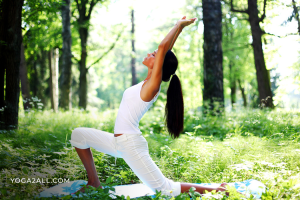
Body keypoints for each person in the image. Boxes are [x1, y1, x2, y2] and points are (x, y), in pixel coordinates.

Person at [69, 16, 228, 197]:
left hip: (130, 145)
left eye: (153, 55)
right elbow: (166, 50)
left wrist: (177, 25)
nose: (150, 54)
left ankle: (217, 189)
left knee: (165, 189)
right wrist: (180, 30)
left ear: (159, 63)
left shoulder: (153, 86)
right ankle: (94, 182)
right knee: (79, 135)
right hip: (117, 143)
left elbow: (162, 49)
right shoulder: (146, 82)